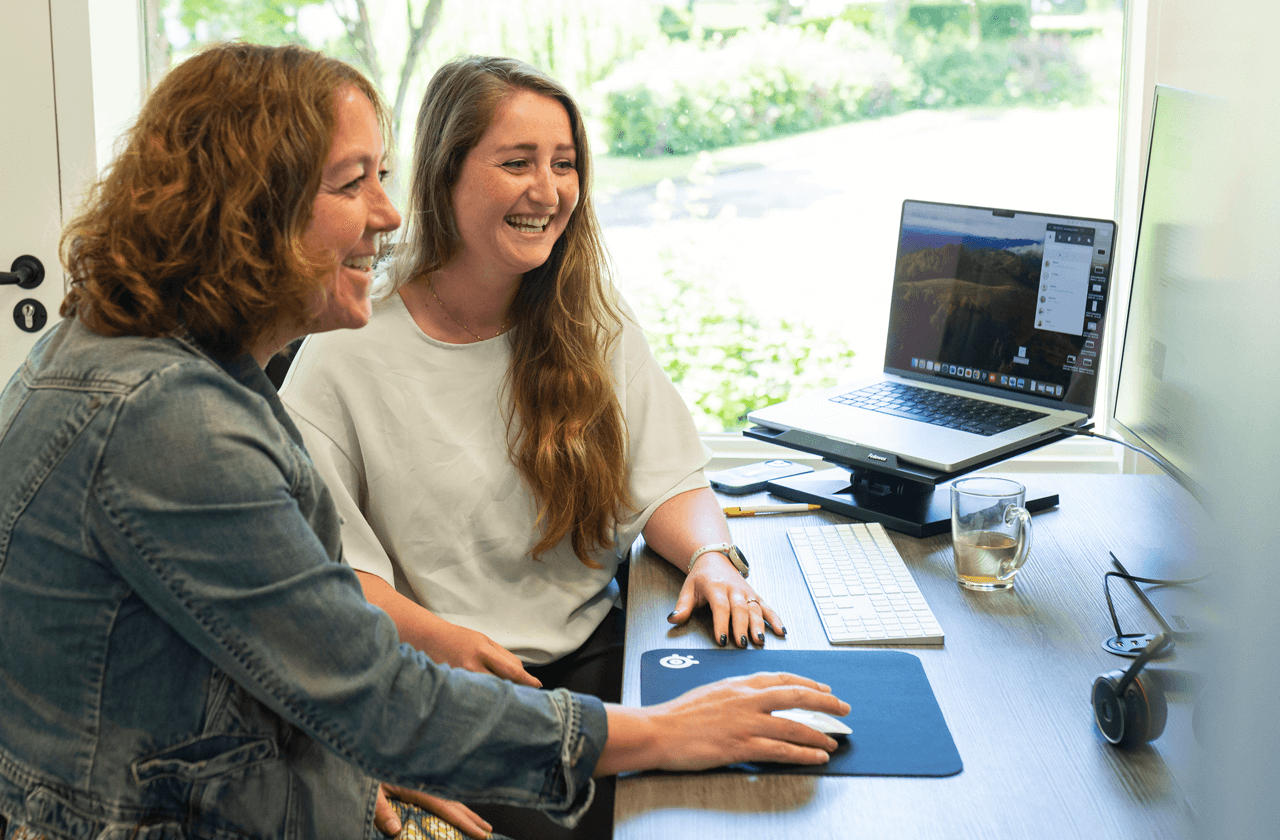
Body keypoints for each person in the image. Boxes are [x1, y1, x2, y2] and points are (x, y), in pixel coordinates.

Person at [0, 43, 850, 840]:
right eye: (351, 184)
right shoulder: (172, 422)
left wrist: (344, 739)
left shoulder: (150, 361)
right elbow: (377, 696)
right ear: (250, 209)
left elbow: (291, 644)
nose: (388, 213)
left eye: (383, 176)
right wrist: (659, 735)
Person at [278, 53, 789, 837]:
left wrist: (714, 560)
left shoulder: (590, 316)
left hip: (596, 654)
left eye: (565, 165)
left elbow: (667, 480)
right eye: (517, 163)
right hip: (456, 690)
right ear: (446, 175)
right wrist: (454, 652)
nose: (547, 192)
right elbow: (338, 578)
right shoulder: (348, 347)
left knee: (763, 780)